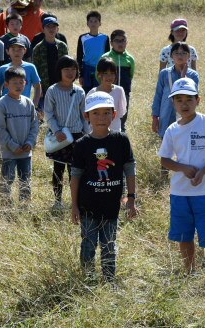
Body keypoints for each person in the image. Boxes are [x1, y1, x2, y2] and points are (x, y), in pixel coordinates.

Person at [159, 78, 205, 278]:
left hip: (204, 192)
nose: (184, 104)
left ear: (198, 100)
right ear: (173, 103)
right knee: (184, 235)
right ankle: (190, 273)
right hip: (179, 193)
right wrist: (182, 168)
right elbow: (164, 159)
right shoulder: (172, 129)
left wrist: (202, 171)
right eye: (179, 99)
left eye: (189, 99)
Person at [70, 91, 138, 282]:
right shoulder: (82, 145)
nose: (101, 118)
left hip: (111, 207)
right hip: (87, 207)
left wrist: (131, 199)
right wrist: (74, 206)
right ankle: (88, 281)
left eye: (106, 113)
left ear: (114, 115)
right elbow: (75, 177)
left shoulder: (121, 140)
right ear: (87, 116)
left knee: (109, 245)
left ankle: (109, 280)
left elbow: (130, 170)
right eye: (95, 113)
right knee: (88, 244)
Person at [44, 56, 86, 211]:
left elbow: (85, 116)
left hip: (77, 136)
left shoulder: (80, 91)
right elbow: (48, 113)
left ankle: (75, 202)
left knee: (75, 171)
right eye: (66, 69)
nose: (70, 73)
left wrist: (88, 136)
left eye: (73, 69)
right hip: (60, 136)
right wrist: (57, 130)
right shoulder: (52, 90)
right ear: (59, 71)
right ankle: (57, 201)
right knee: (58, 170)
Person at [0, 66, 40, 203]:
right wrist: (13, 146)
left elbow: (34, 125)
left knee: (25, 180)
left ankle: (25, 206)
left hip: (26, 152)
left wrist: (30, 143)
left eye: (21, 82)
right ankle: (4, 205)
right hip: (9, 152)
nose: (18, 86)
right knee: (7, 180)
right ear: (7, 84)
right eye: (14, 82)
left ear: (26, 83)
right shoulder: (2, 104)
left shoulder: (28, 103)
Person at [152, 42, 199, 138]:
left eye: (183, 53)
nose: (180, 56)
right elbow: (158, 95)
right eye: (176, 53)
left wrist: (184, 78)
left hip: (185, 114)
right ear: (171, 56)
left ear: (189, 56)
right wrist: (155, 117)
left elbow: (194, 96)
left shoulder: (193, 75)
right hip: (166, 114)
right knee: (166, 143)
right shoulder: (164, 74)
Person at [98, 29, 135, 131]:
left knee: (122, 115)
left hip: (124, 93)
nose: (120, 43)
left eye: (123, 40)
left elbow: (131, 74)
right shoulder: (105, 57)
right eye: (117, 40)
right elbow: (99, 75)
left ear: (126, 42)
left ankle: (120, 134)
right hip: (107, 92)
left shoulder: (130, 59)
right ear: (111, 43)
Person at [31, 16, 69, 114]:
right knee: (43, 114)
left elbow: (67, 66)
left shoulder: (62, 46)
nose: (51, 29)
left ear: (58, 29)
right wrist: (38, 89)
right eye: (48, 27)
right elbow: (36, 70)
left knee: (61, 111)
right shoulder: (38, 48)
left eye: (54, 27)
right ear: (43, 29)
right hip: (44, 87)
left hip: (60, 84)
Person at [0, 37, 41, 109]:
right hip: (7, 106)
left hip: (24, 106)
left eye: (20, 49)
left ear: (25, 50)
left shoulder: (31, 67)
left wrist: (34, 104)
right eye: (13, 49)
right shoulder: (3, 68)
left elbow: (37, 87)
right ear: (7, 51)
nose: (16, 52)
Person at [86, 58, 127, 133]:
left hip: (114, 131)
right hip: (96, 132)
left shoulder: (119, 90)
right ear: (99, 74)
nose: (109, 77)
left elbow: (121, 113)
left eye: (112, 73)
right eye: (105, 73)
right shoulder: (92, 93)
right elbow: (88, 115)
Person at [77, 10, 110, 93]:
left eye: (96, 21)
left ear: (100, 23)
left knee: (100, 92)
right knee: (87, 93)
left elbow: (107, 56)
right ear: (87, 23)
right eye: (91, 21)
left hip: (100, 69)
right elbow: (79, 56)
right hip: (87, 68)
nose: (93, 23)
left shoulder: (105, 38)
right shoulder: (82, 38)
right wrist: (81, 75)